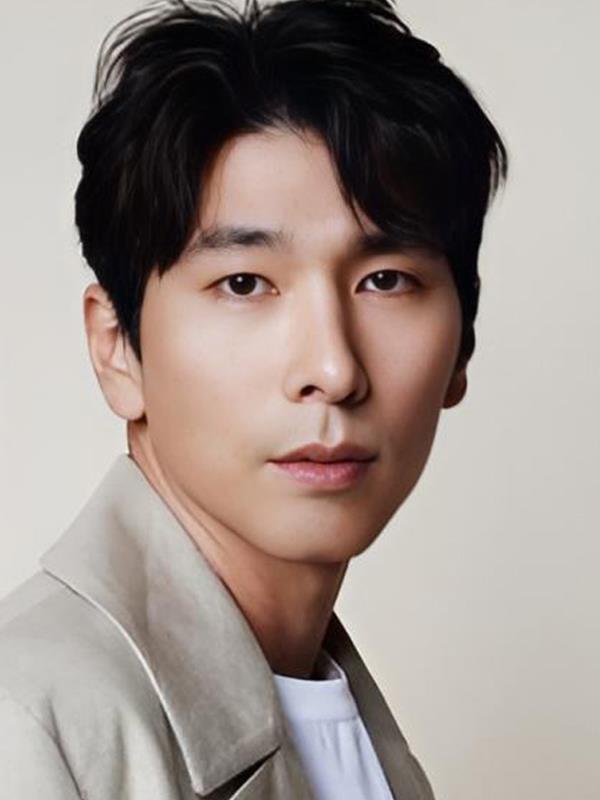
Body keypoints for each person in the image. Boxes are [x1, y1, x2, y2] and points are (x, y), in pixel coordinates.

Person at [0, 0, 508, 797]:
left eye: (385, 280)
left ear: (462, 344)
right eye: (244, 283)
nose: (333, 369)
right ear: (117, 346)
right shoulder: (30, 725)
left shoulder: (349, 727)